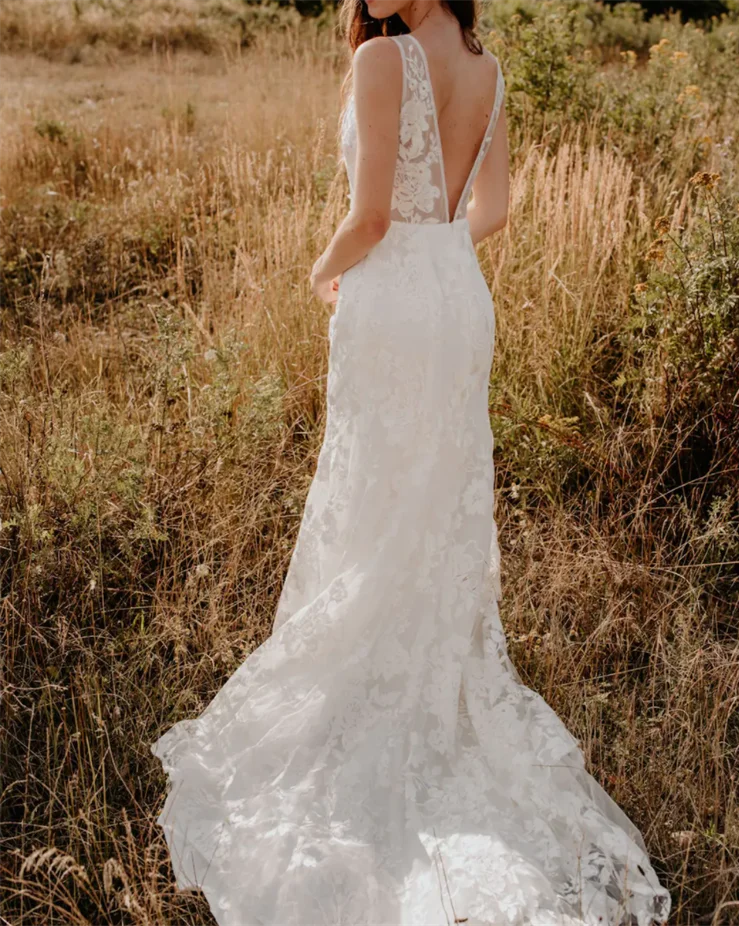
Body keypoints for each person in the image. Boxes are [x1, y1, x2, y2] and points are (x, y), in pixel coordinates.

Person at [151, 0, 673, 922]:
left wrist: (322, 272)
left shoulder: (385, 57)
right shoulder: (488, 65)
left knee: (372, 505)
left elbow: (370, 214)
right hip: (459, 299)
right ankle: (427, 685)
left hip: (392, 299)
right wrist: (439, 257)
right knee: (432, 511)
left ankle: (365, 701)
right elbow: (495, 209)